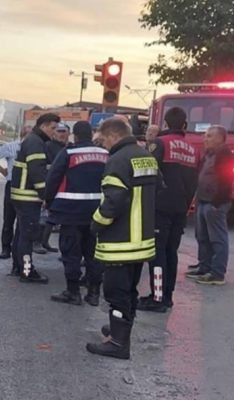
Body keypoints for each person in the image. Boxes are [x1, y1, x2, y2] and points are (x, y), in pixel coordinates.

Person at [86, 117, 160, 360]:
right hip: (142, 240)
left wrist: (96, 224)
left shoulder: (117, 160)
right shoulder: (145, 154)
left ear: (113, 135)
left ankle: (118, 342)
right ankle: (121, 329)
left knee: (115, 291)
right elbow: (159, 187)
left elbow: (113, 202)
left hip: (121, 241)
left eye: (103, 139)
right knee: (129, 289)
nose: (103, 144)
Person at [138, 107, 198, 313]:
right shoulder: (193, 149)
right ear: (184, 126)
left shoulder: (159, 144)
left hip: (160, 207)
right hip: (180, 209)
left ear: (164, 124)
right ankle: (167, 296)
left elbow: (147, 175)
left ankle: (157, 297)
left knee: (157, 253)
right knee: (171, 252)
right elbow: (194, 183)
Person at [44, 121, 107, 306]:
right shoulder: (105, 154)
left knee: (71, 252)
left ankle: (73, 292)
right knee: (93, 252)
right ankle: (94, 293)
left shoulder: (69, 153)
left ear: (75, 136)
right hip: (97, 211)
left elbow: (53, 178)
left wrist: (49, 202)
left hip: (70, 211)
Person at [8, 113, 59, 283]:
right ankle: (27, 271)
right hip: (28, 196)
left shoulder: (32, 140)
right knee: (28, 235)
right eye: (53, 128)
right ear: (43, 126)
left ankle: (18, 266)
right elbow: (37, 172)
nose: (55, 132)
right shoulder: (36, 143)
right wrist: (46, 196)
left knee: (21, 234)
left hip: (21, 195)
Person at [185, 125, 234, 286]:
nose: (205, 139)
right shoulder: (208, 155)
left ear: (220, 138)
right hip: (203, 201)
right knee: (202, 237)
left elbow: (227, 180)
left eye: (209, 136)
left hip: (215, 204)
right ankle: (204, 267)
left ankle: (217, 273)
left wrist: (216, 203)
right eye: (205, 135)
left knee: (217, 239)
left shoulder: (225, 155)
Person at [36, 122, 70, 254]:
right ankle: (37, 242)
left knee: (53, 217)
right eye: (59, 131)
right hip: (51, 184)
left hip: (64, 187)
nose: (61, 134)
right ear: (54, 132)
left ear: (69, 133)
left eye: (64, 131)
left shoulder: (68, 147)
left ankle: (45, 241)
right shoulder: (48, 146)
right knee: (44, 215)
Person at [0, 131, 26, 261]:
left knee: (23, 219)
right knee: (9, 217)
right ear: (22, 135)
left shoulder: (38, 147)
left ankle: (19, 249)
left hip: (28, 186)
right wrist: (3, 171)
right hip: (12, 183)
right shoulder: (11, 146)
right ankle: (5, 247)